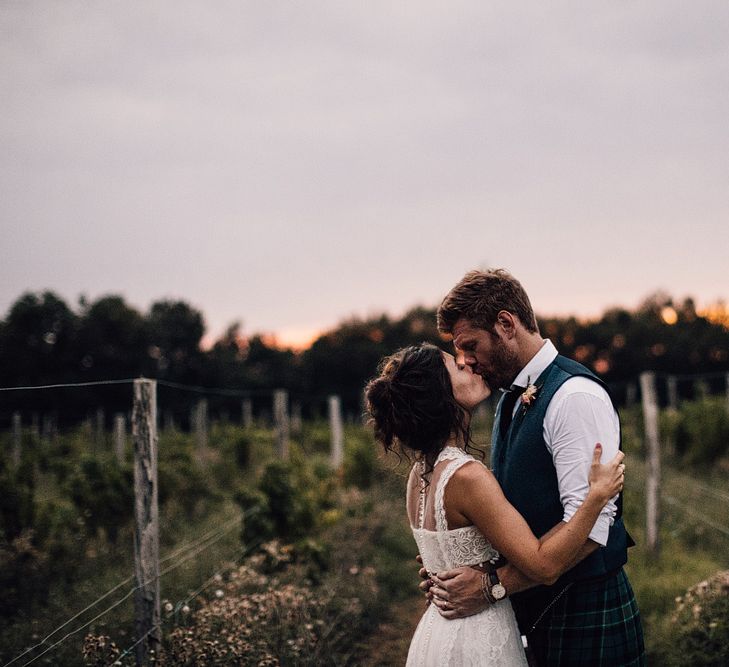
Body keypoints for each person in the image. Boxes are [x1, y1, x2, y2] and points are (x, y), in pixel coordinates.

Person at [429, 268, 645, 666]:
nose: (467, 361)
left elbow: (590, 531)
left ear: (506, 324)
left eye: (470, 345)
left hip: (583, 608)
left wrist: (491, 587)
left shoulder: (574, 398)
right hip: (538, 609)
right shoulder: (511, 395)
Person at [365, 342, 626, 666]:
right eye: (456, 366)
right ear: (441, 394)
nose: (468, 365)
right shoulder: (467, 477)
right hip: (478, 636)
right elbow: (543, 566)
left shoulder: (419, 475)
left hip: (439, 632)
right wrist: (596, 497)